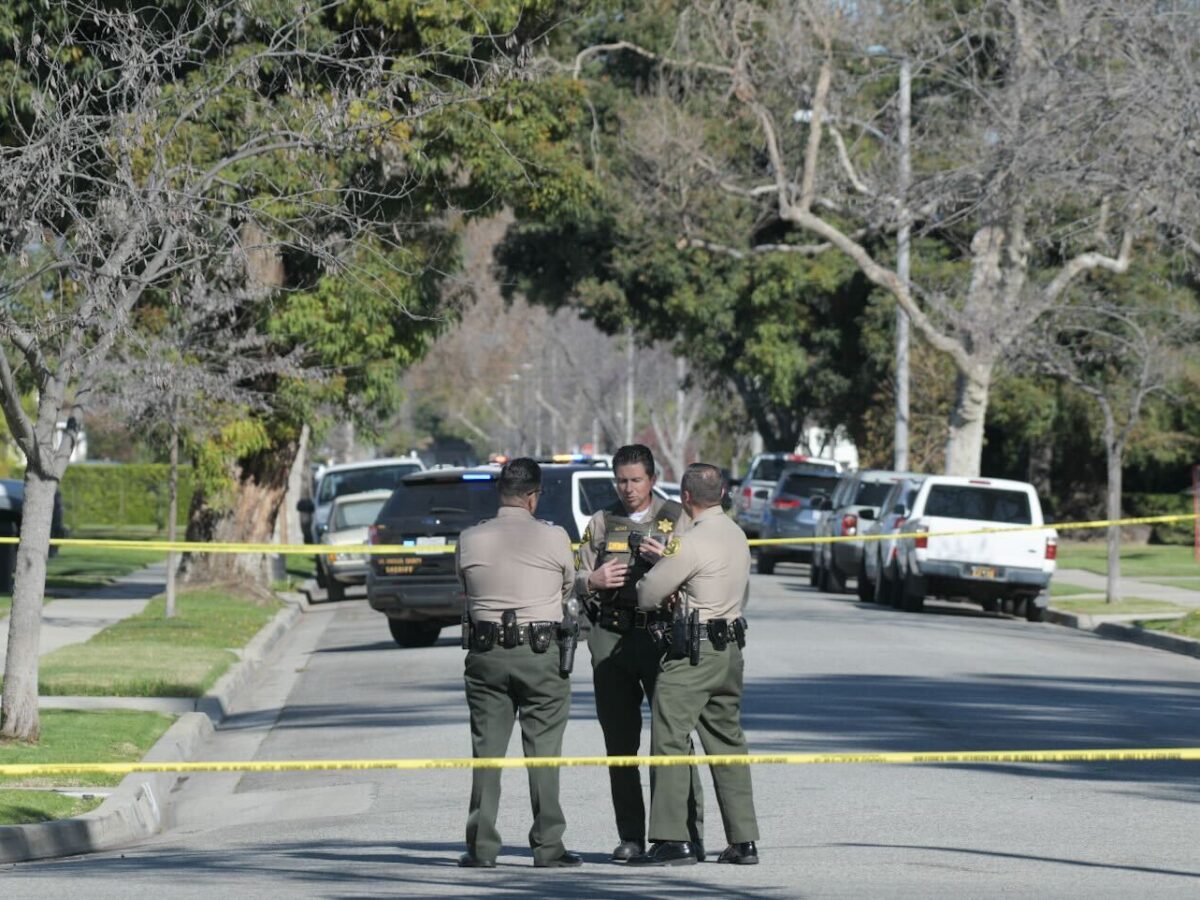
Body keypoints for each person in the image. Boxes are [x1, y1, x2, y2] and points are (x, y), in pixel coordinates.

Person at [574, 444, 705, 862]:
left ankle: (684, 833)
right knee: (620, 745)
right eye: (622, 481)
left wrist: (665, 559)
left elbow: (702, 570)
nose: (628, 489)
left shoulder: (678, 518)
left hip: (661, 639)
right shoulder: (600, 521)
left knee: (674, 741)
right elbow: (574, 573)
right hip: (611, 637)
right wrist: (591, 579)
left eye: (636, 480)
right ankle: (631, 835)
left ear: (652, 478)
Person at [629, 462, 760, 867]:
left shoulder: (689, 541)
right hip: (729, 650)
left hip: (693, 653)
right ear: (720, 494)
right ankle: (743, 841)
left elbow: (649, 596)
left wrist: (657, 565)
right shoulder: (738, 536)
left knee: (669, 737)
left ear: (686, 498)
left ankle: (673, 839)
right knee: (728, 743)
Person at [455, 458, 582, 868]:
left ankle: (481, 847)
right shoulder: (555, 537)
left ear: (501, 493)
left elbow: (464, 588)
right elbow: (567, 585)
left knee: (487, 754)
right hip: (540, 654)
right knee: (544, 752)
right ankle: (548, 847)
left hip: (487, 654)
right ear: (533, 496)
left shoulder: (470, 538)